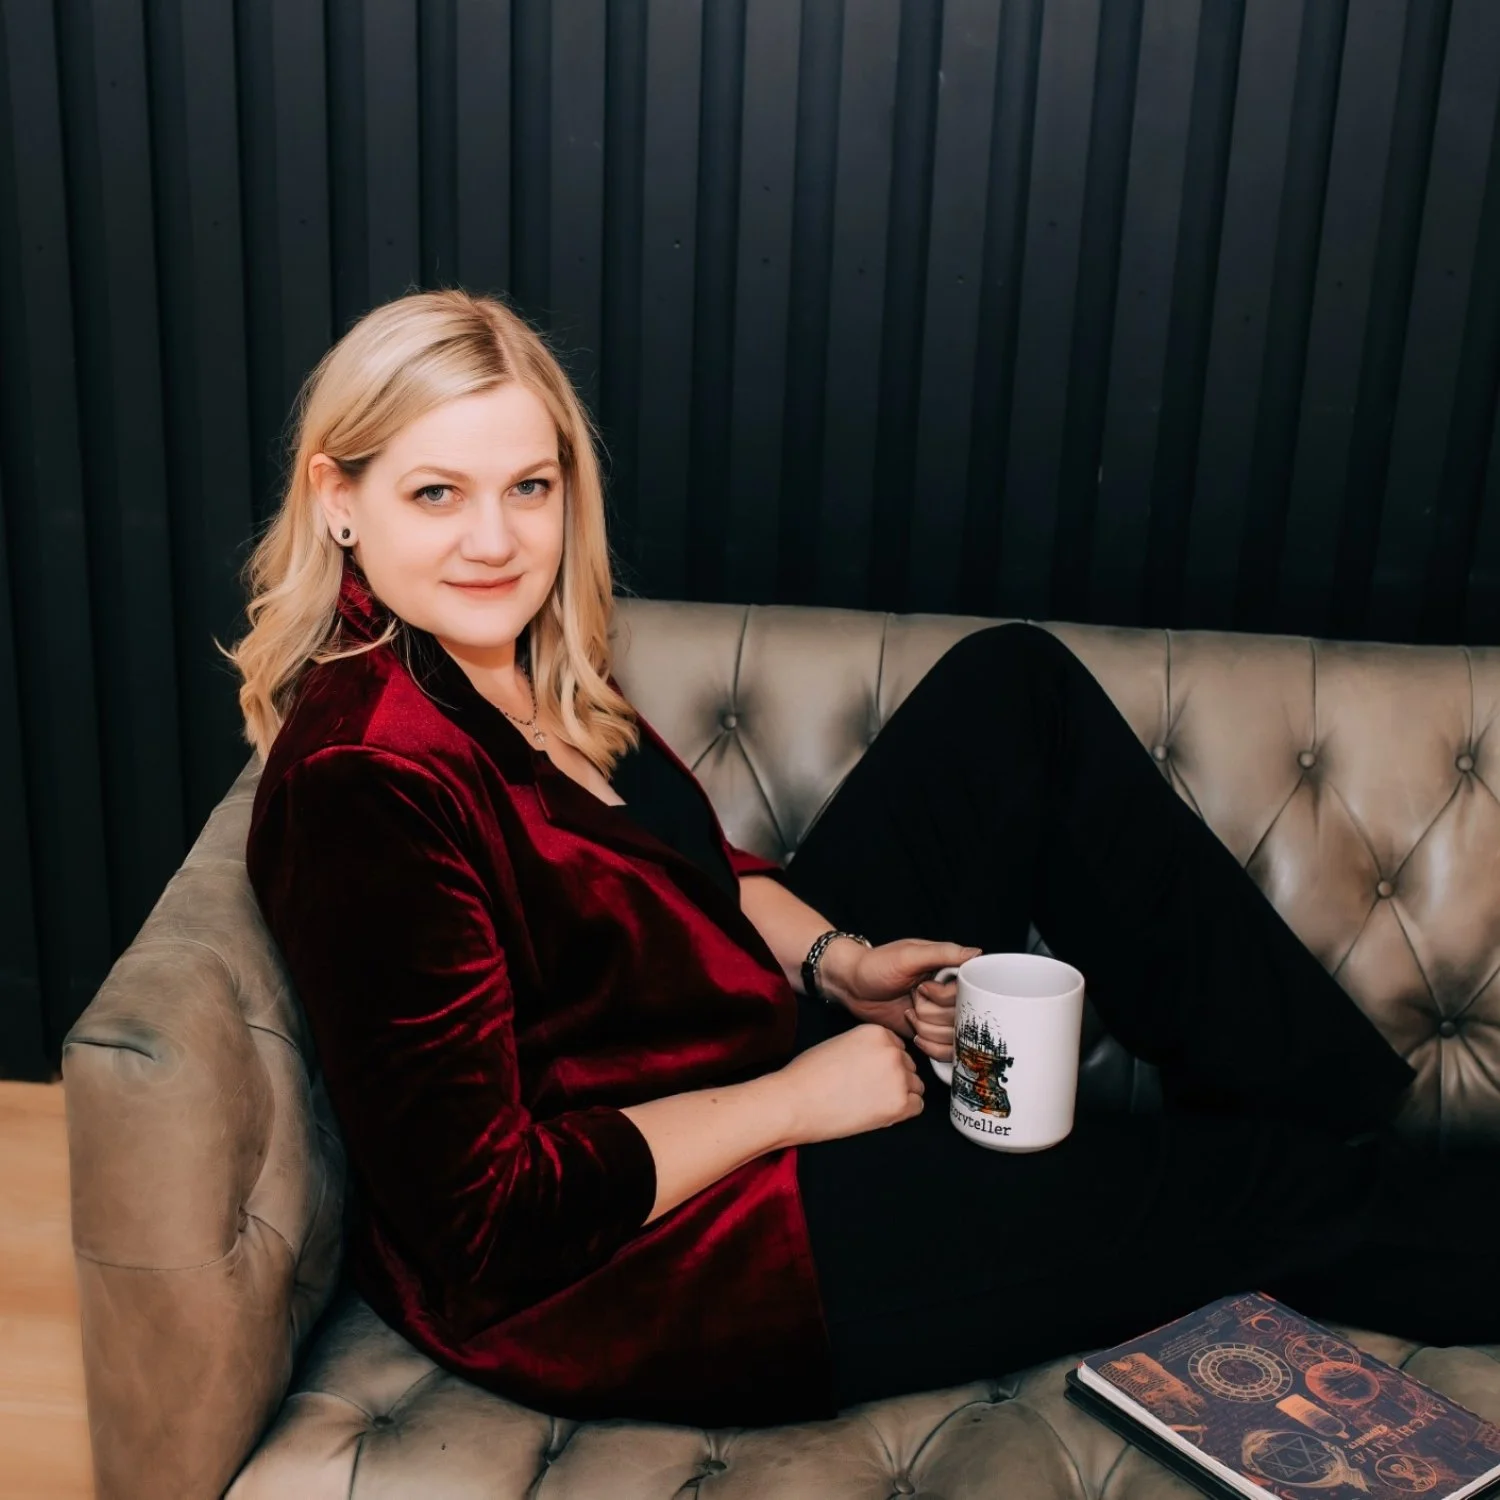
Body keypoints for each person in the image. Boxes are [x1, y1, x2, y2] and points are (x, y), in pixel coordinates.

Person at [236, 288, 1482, 1434]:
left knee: (1014, 694)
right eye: (436, 494)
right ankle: (1369, 1192)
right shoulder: (368, 784)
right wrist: (801, 1101)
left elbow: (691, 871)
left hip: (731, 1036)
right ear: (339, 499)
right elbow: (489, 1223)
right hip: (664, 1257)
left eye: (529, 487)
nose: (496, 539)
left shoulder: (511, 662)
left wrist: (840, 964)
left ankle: (1340, 1123)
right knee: (1239, 1194)